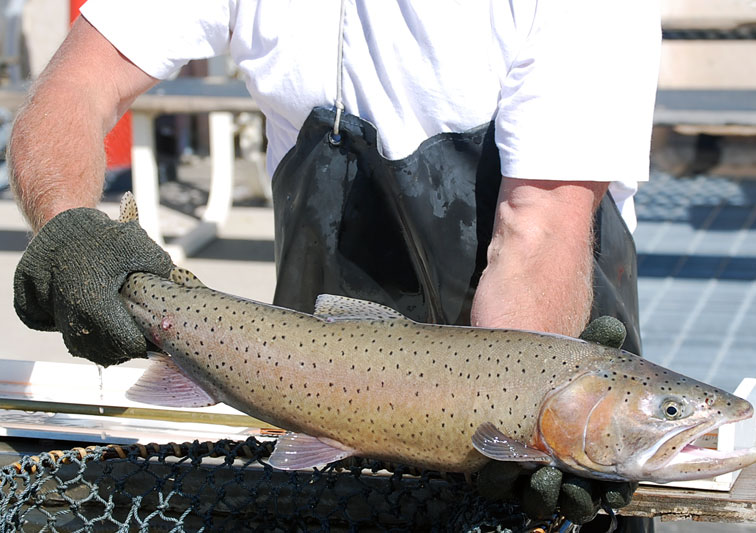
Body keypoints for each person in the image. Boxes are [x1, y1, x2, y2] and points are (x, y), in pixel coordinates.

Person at [8, 1, 661, 529]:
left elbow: (540, 232)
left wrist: (526, 430)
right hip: (313, 414)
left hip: (523, 411)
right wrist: (72, 225)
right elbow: (73, 85)